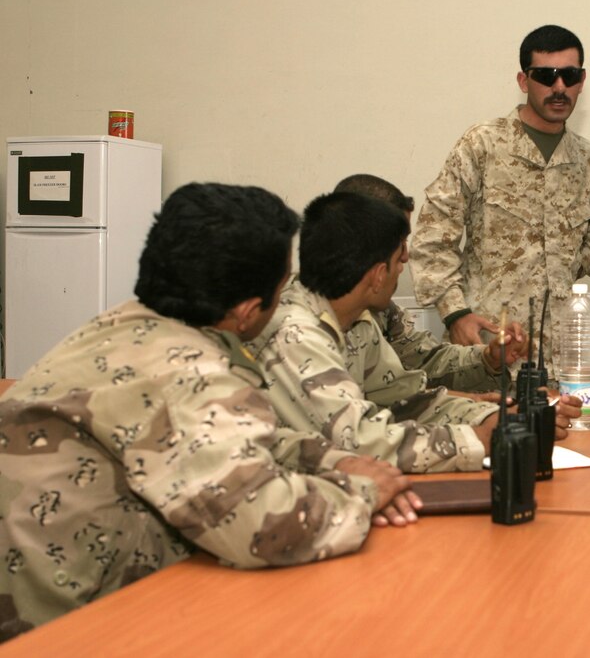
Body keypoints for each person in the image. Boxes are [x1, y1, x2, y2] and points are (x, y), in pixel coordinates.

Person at [0, 183, 418, 642]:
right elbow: (261, 526)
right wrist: (364, 491)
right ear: (246, 312)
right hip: (56, 628)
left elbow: (231, 441)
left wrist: (335, 462)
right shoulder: (189, 371)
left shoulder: (130, 324)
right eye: (282, 288)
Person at [248, 192, 579, 474]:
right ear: (378, 275)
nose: (405, 264)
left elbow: (407, 400)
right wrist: (480, 439)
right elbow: (357, 441)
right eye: (399, 257)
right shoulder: (295, 335)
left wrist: (500, 419)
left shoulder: (357, 319)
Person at [410, 24, 590, 380]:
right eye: (546, 76)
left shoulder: (588, 162)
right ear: (524, 81)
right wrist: (455, 314)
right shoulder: (483, 146)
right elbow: (433, 235)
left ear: (581, 80)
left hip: (560, 359)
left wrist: (566, 261)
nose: (559, 87)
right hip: (488, 349)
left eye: (569, 76)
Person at [334, 173, 520, 396]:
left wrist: (487, 359)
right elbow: (380, 409)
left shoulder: (379, 313)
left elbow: (424, 362)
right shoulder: (302, 322)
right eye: (399, 242)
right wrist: (478, 407)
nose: (405, 256)